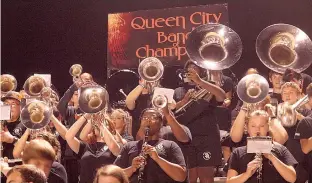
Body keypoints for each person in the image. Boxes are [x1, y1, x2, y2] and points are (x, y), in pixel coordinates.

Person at [173, 60, 225, 183]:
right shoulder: (178, 90)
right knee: (189, 177)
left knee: (206, 177)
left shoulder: (208, 85)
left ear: (200, 71)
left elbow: (221, 96)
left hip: (207, 137)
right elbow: (173, 110)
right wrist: (184, 101)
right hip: (187, 137)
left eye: (195, 68)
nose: (192, 71)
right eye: (189, 69)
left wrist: (200, 82)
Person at [114, 108, 187, 183]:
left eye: (153, 117)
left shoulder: (170, 145)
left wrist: (158, 159)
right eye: (144, 118)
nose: (147, 120)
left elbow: (181, 176)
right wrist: (132, 168)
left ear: (161, 123)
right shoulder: (129, 146)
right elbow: (113, 176)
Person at [227, 110, 297, 183]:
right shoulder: (238, 152)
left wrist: (272, 157)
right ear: (247, 128)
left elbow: (292, 178)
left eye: (262, 126)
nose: (257, 130)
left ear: (268, 127)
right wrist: (247, 174)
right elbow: (229, 181)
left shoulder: (280, 149)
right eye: (253, 126)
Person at [65, 111, 121, 183]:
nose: (99, 123)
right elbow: (68, 136)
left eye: (105, 122)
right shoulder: (86, 146)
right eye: (96, 123)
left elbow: (114, 147)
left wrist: (100, 125)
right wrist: (87, 115)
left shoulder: (117, 144)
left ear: (110, 128)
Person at [280, 82, 312, 183]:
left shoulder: (306, 112)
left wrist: (297, 115)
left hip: (300, 159)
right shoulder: (277, 111)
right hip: (283, 156)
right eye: (285, 93)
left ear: (298, 95)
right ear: (281, 96)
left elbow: (309, 125)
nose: (287, 95)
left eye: (291, 92)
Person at [1, 91, 26, 159]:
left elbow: (33, 147)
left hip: (18, 165)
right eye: (6, 103)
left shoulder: (26, 124)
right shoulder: (1, 123)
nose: (9, 106)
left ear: (20, 107)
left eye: (13, 103)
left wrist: (12, 140)